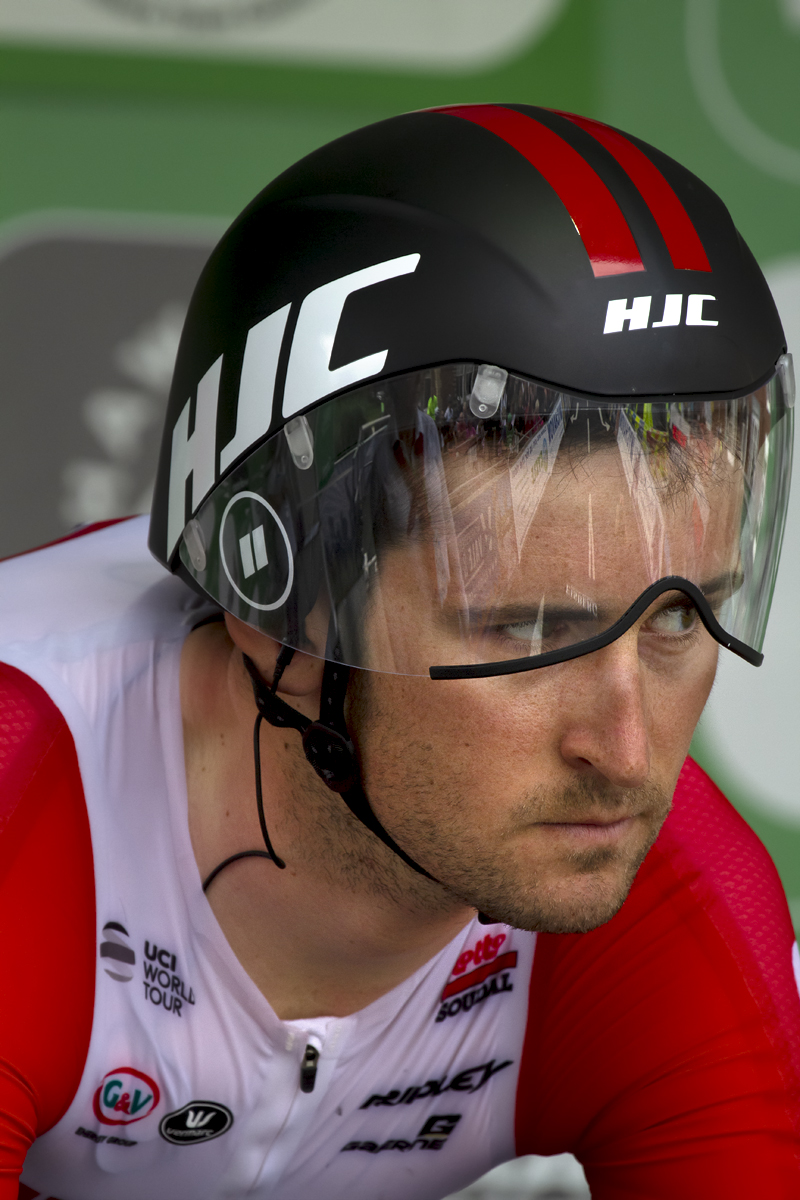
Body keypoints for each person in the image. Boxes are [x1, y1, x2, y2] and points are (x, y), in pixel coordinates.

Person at [1, 103, 799, 1200]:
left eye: (673, 618)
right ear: (271, 600)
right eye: (528, 633)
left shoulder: (668, 905)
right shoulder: (19, 795)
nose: (624, 751)